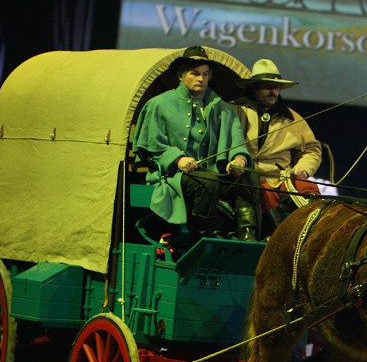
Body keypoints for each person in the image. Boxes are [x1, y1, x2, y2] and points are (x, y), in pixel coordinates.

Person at [132, 46, 260, 242]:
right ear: (181, 76)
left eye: (205, 74)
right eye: (195, 73)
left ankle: (247, 236)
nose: (201, 79)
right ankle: (204, 235)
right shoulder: (158, 105)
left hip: (213, 173)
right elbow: (148, 147)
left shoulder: (223, 109)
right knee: (207, 183)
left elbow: (237, 144)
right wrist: (177, 159)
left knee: (247, 177)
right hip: (172, 175)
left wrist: (239, 160)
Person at [232, 59, 322, 230]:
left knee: (309, 189)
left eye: (276, 87)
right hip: (246, 178)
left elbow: (312, 149)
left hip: (280, 180)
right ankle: (274, 239)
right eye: (267, 87)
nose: (273, 92)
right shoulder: (236, 110)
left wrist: (303, 168)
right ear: (254, 88)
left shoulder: (292, 118)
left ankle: (312, 238)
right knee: (266, 193)